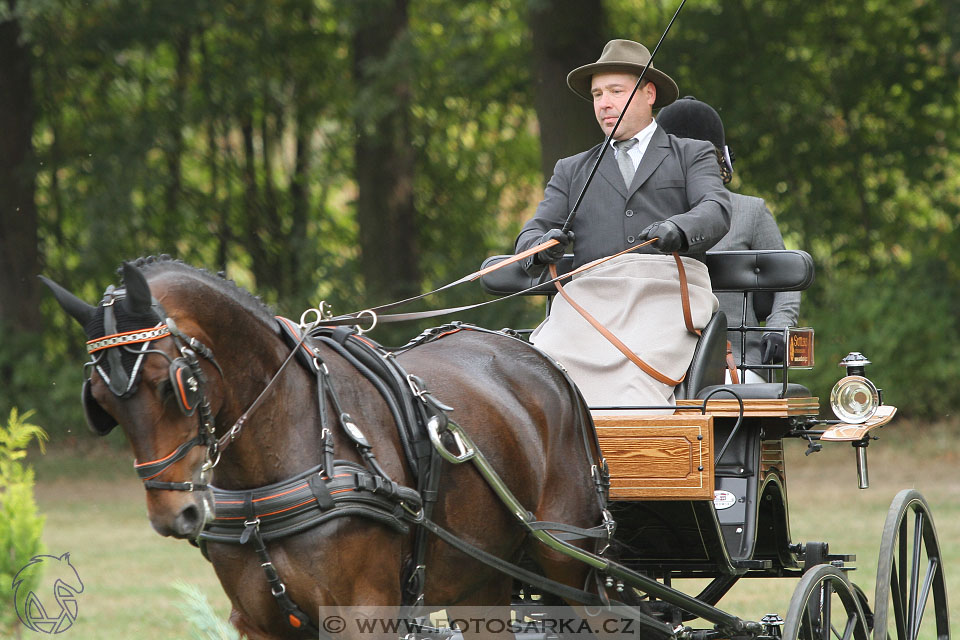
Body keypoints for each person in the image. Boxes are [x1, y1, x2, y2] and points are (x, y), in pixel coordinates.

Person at [514, 40, 732, 409]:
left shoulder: (691, 153)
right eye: (598, 94)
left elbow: (716, 209)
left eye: (616, 91)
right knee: (543, 368)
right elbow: (530, 236)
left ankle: (641, 461)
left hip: (666, 297)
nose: (604, 103)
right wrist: (541, 245)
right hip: (590, 302)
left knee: (634, 381)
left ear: (649, 94)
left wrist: (678, 229)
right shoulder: (572, 169)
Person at [656, 96, 801, 383]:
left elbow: (787, 282)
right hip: (656, 358)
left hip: (736, 360)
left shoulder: (750, 211)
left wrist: (778, 327)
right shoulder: (645, 216)